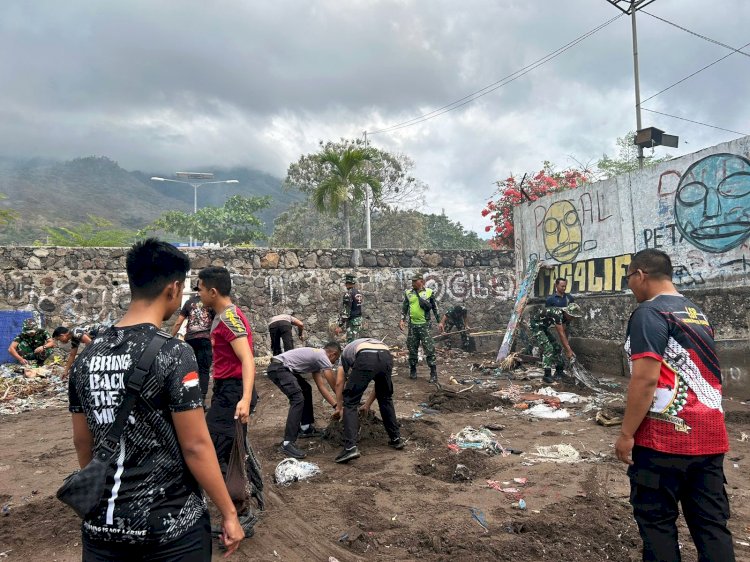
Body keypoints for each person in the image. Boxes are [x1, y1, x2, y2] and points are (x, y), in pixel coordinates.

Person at [67, 238, 244, 560]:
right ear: (174, 289)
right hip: (170, 529)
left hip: (101, 528)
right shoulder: (174, 353)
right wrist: (229, 513)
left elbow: (83, 443)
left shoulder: (86, 357)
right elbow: (195, 446)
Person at [616, 249, 735, 562]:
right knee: (711, 525)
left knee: (657, 525)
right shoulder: (695, 312)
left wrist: (626, 434)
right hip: (709, 439)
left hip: (663, 442)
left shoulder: (648, 313)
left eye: (629, 277)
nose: (629, 284)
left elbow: (645, 379)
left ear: (640, 274)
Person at [197, 266, 257, 473]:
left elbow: (247, 359)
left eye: (200, 289)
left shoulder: (229, 318)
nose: (199, 294)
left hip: (234, 392)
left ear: (213, 292)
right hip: (226, 390)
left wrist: (245, 399)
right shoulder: (222, 316)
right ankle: (240, 496)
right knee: (230, 450)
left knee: (213, 450)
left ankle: (235, 499)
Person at [333, 338, 404, 463]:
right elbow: (378, 387)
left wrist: (339, 407)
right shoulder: (368, 344)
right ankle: (396, 439)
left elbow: (339, 382)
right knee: (385, 398)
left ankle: (350, 447)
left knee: (350, 402)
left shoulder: (344, 355)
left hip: (366, 356)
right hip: (386, 356)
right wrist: (367, 405)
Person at [266, 343, 341, 459]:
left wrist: (336, 405)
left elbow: (321, 387)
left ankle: (305, 428)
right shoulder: (322, 356)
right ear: (333, 354)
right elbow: (335, 386)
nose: (334, 362)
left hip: (282, 368)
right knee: (297, 398)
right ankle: (287, 443)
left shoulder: (316, 359)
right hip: (279, 368)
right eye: (336, 359)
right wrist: (344, 404)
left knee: (306, 389)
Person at [171, 291, 215, 401]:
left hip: (190, 340)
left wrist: (170, 337)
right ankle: (202, 400)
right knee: (204, 370)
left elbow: (178, 322)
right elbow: (216, 322)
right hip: (205, 339)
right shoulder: (210, 303)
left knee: (190, 369)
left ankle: (190, 398)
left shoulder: (189, 303)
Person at [399, 273, 440, 383]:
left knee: (429, 349)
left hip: (425, 326)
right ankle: (413, 370)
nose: (412, 283)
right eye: (412, 281)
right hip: (413, 326)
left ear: (421, 281)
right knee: (412, 348)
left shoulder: (429, 292)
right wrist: (402, 320)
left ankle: (433, 373)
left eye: (414, 281)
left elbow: (435, 308)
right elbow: (404, 308)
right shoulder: (408, 293)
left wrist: (440, 322)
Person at [529, 302, 583, 383]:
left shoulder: (566, 318)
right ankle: (547, 375)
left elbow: (564, 333)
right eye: (572, 316)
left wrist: (567, 348)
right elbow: (561, 334)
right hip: (536, 326)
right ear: (567, 313)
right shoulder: (557, 315)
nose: (573, 318)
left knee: (557, 347)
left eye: (574, 317)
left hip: (544, 327)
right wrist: (568, 350)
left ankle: (559, 372)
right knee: (549, 348)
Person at [336, 273, 363, 343]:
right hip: (358, 321)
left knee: (351, 343)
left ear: (347, 283)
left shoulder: (348, 294)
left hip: (352, 322)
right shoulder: (358, 292)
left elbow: (346, 312)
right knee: (357, 342)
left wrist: (340, 325)